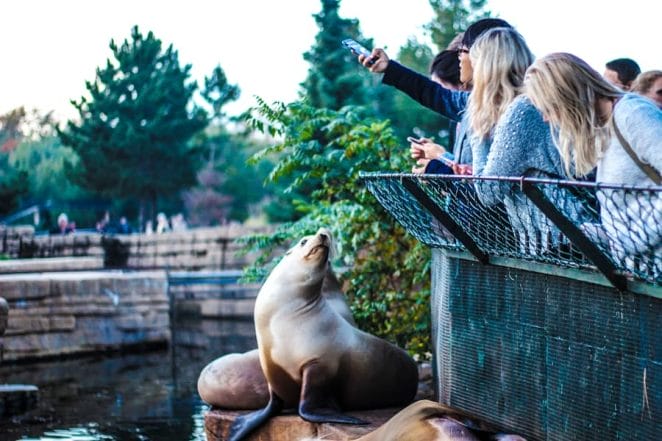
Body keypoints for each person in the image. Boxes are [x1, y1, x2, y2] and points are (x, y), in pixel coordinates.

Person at [524, 53, 662, 273]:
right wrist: (593, 234)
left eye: (548, 108)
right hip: (644, 271)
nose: (546, 118)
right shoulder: (604, 128)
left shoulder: (633, 114)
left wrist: (627, 240)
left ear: (567, 96)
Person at [359, 18, 512, 171]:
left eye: (463, 51)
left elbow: (485, 180)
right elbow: (433, 93)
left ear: (482, 56)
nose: (459, 57)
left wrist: (437, 162)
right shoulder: (475, 102)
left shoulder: (512, 111)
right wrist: (389, 68)